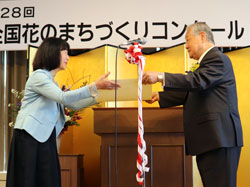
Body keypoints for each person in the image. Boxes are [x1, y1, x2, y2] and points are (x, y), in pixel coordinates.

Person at [6, 37, 120, 187]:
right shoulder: (38, 76)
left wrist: (98, 93)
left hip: (44, 136)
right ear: (52, 53)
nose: (68, 57)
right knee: (28, 180)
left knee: (48, 180)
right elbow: (63, 97)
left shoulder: (51, 81)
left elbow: (73, 105)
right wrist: (94, 86)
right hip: (30, 136)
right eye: (65, 52)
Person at [142, 22, 243, 187]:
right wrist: (159, 97)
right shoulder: (208, 63)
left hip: (220, 138)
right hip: (212, 139)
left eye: (188, 40)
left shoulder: (219, 59)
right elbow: (194, 88)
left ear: (202, 36)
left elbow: (198, 82)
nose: (186, 45)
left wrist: (161, 76)